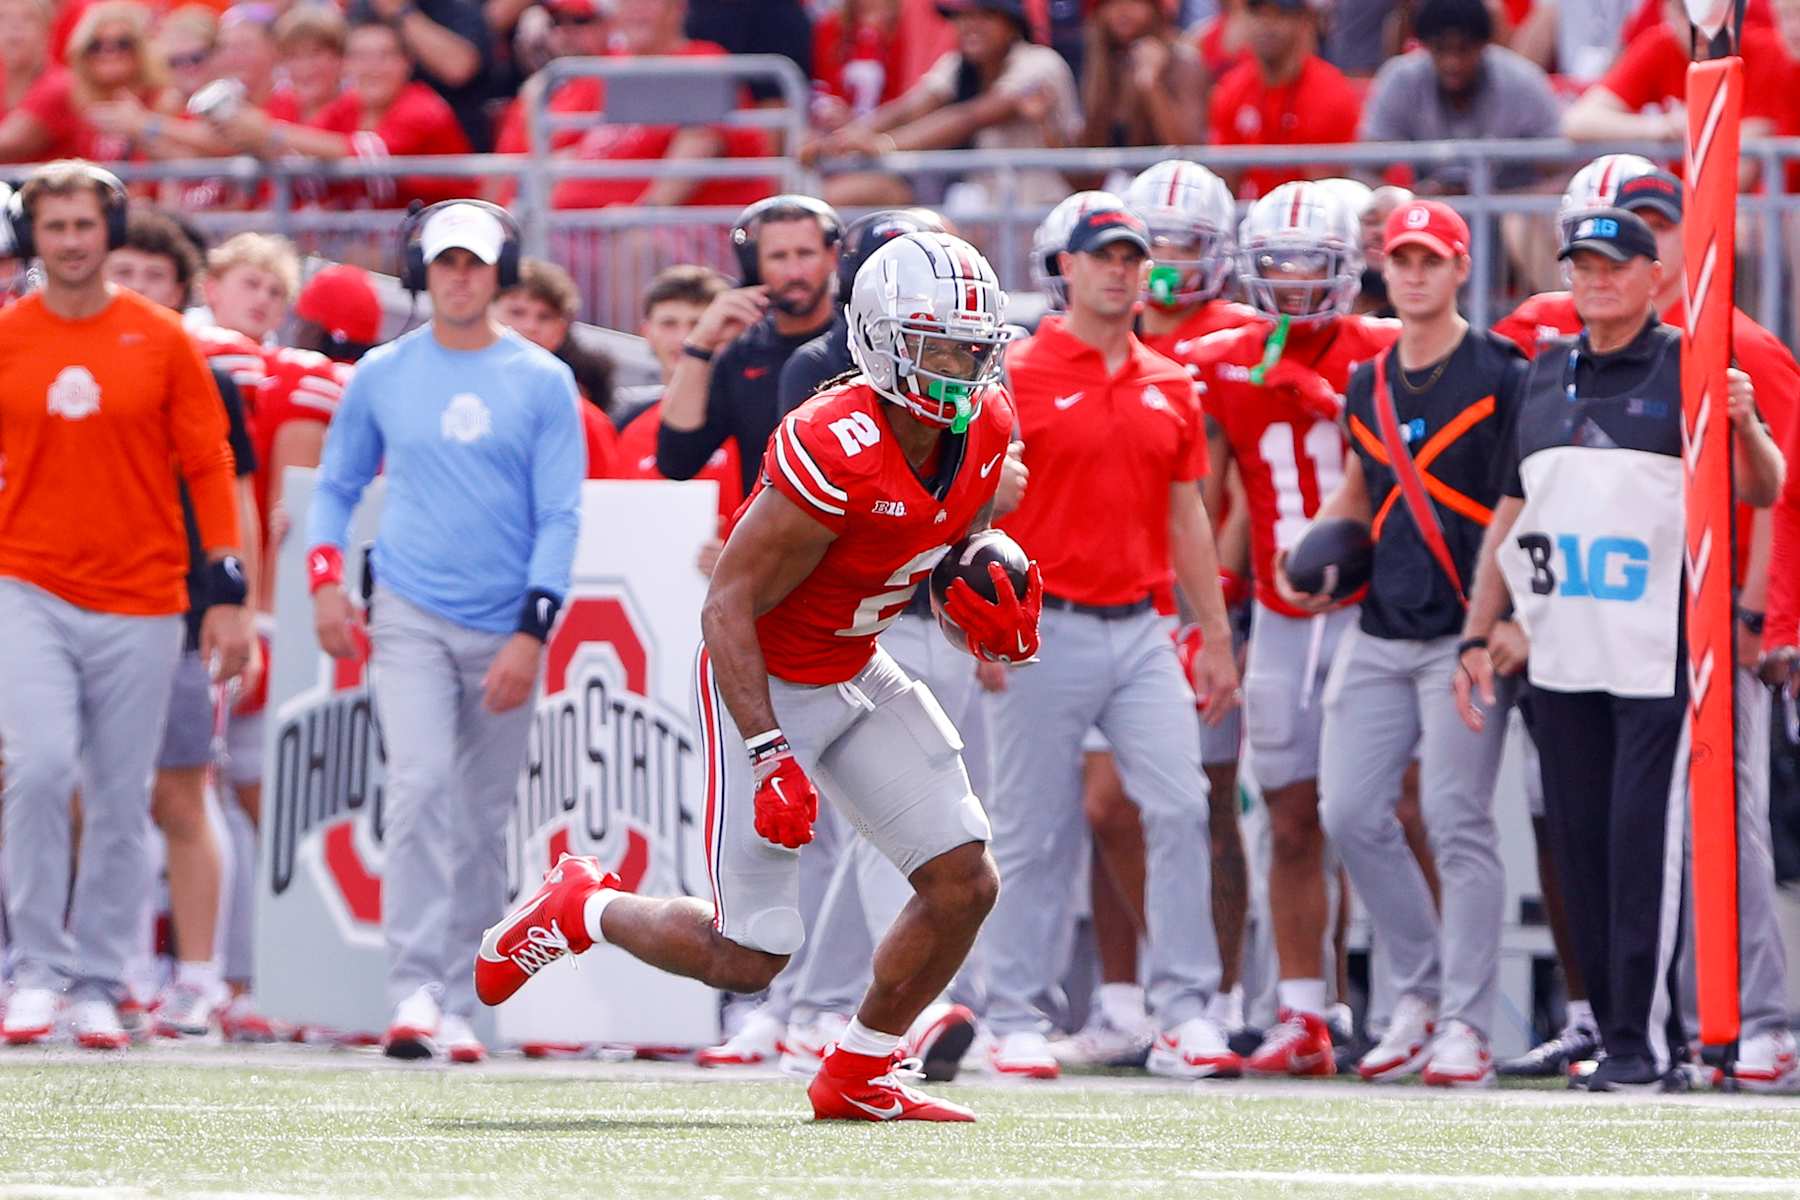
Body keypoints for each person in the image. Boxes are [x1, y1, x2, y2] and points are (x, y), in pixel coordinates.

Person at [477, 231, 1028, 1123]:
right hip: (769, 677)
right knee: (752, 952)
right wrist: (772, 751)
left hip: (860, 665)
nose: (964, 367)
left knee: (965, 881)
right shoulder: (833, 440)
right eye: (939, 345)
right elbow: (727, 603)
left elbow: (922, 533)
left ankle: (859, 1069)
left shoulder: (988, 424)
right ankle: (585, 907)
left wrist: (981, 576)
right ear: (883, 341)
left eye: (975, 346)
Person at [1454, 207, 1785, 1093]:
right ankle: (1612, 1032)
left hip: (1654, 650)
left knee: (1643, 846)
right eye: (1583, 266)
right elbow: (1511, 511)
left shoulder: (1690, 362)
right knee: (1579, 847)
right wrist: (1480, 631)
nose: (1596, 281)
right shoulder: (1543, 371)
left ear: (1652, 275)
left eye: (1614, 266)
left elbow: (1761, 487)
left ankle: (1646, 1046)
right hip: (1558, 650)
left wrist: (1743, 423)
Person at [304, 200, 584, 1062]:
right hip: (410, 612)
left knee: (481, 814)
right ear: (422, 270)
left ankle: (462, 995)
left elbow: (560, 514)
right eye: (446, 262)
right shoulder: (383, 373)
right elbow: (335, 486)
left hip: (505, 622)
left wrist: (532, 630)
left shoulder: (541, 379)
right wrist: (323, 578)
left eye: (475, 262)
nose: (460, 277)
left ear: (501, 271)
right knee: (421, 786)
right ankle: (414, 991)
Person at [983, 198, 1244, 1081]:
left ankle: (1184, 1012)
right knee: (1031, 829)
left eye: (1132, 256)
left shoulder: (1170, 381)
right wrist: (976, 620)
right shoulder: (1013, 373)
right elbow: (974, 512)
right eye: (1104, 255)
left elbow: (1189, 516)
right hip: (1036, 624)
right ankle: (1014, 1011)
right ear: (1067, 266)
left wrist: (1213, 636)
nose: (1121, 270)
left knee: (1179, 807)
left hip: (1142, 628)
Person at [0, 160, 250, 1049]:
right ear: (35, 235)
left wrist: (229, 592)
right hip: (26, 584)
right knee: (34, 773)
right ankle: (34, 969)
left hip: (147, 597)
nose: (70, 241)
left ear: (109, 230)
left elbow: (210, 465)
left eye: (84, 224)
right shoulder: (8, 337)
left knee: (118, 796)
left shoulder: (163, 337)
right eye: (54, 226)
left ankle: (101, 981)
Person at [1278, 200, 1526, 1088]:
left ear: (1461, 267)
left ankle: (1466, 1022)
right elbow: (1361, 490)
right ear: (1385, 269)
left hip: (1463, 628)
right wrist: (1306, 548)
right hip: (1381, 624)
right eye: (1403, 260)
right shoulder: (1369, 381)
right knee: (1347, 810)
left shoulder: (1503, 371)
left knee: (1459, 822)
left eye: (1433, 259)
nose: (1415, 273)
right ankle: (1420, 995)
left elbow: (1524, 500)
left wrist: (1495, 620)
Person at [1186, 180, 1400, 1076]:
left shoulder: (1383, 348)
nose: (1299, 280)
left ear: (1349, 266)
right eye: (1279, 262)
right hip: (1277, 614)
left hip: (1374, 612)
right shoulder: (1226, 356)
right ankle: (1303, 1009)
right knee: (1286, 814)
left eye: (1315, 262)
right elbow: (1210, 498)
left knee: (1388, 813)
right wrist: (1216, 622)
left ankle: (1413, 1003)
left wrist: (1317, 391)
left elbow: (1402, 461)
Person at [103, 206, 263, 1040]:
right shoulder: (63, 363)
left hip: (182, 608)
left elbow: (234, 500)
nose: (134, 290)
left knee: (181, 792)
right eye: (122, 273)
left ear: (183, 289)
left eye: (152, 277)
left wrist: (242, 607)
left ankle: (198, 976)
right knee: (71, 793)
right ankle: (103, 969)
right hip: (79, 598)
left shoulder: (210, 377)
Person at [1121, 158, 1261, 1043]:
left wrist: (1213, 602)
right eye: (1155, 242)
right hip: (1117, 589)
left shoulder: (1239, 336)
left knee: (1209, 798)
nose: (1168, 260)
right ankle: (1120, 995)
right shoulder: (1102, 325)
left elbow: (1243, 482)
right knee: (1108, 803)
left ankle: (1226, 990)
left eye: (1186, 244)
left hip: (1206, 590)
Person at [800, 0, 1080, 208]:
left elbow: (970, 116)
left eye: (984, 16)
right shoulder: (957, 64)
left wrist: (884, 145)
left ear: (1012, 25)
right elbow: (911, 107)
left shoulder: (1040, 63)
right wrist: (842, 140)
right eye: (961, 17)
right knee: (837, 199)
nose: (970, 26)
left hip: (1039, 210)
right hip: (982, 208)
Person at [657, 195, 841, 500]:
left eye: (805, 253)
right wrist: (701, 345)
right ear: (754, 266)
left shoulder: (860, 343)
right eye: (778, 256)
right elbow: (677, 461)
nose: (794, 272)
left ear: (832, 257)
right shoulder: (741, 355)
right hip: (773, 540)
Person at [1358, 0, 1562, 194]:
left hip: (1509, 216)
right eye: (1441, 49)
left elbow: (1564, 174)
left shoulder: (1521, 82)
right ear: (1425, 45)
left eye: (1464, 49)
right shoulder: (1402, 80)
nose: (1452, 62)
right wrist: (1413, 199)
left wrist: (1506, 203)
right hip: (1428, 219)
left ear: (1484, 45)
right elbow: (1363, 172)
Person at [1205, 0, 1361, 199]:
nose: (1267, 25)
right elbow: (1224, 186)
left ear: (1302, 22)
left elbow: (1326, 193)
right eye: (1258, 14)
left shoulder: (1330, 92)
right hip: (1250, 218)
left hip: (1309, 217)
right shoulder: (1232, 88)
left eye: (1279, 15)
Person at [492, 255, 617, 476]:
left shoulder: (585, 420)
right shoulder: (457, 398)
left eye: (545, 317)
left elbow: (606, 498)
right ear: (488, 314)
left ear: (560, 331)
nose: (530, 326)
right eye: (517, 312)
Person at [1078, 0, 1206, 149]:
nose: (1123, 9)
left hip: (1164, 170)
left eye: (1135, 1)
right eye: (1111, 2)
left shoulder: (1183, 63)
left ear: (1156, 10)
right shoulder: (1101, 66)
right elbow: (1088, 155)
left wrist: (1151, 85)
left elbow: (1190, 152)